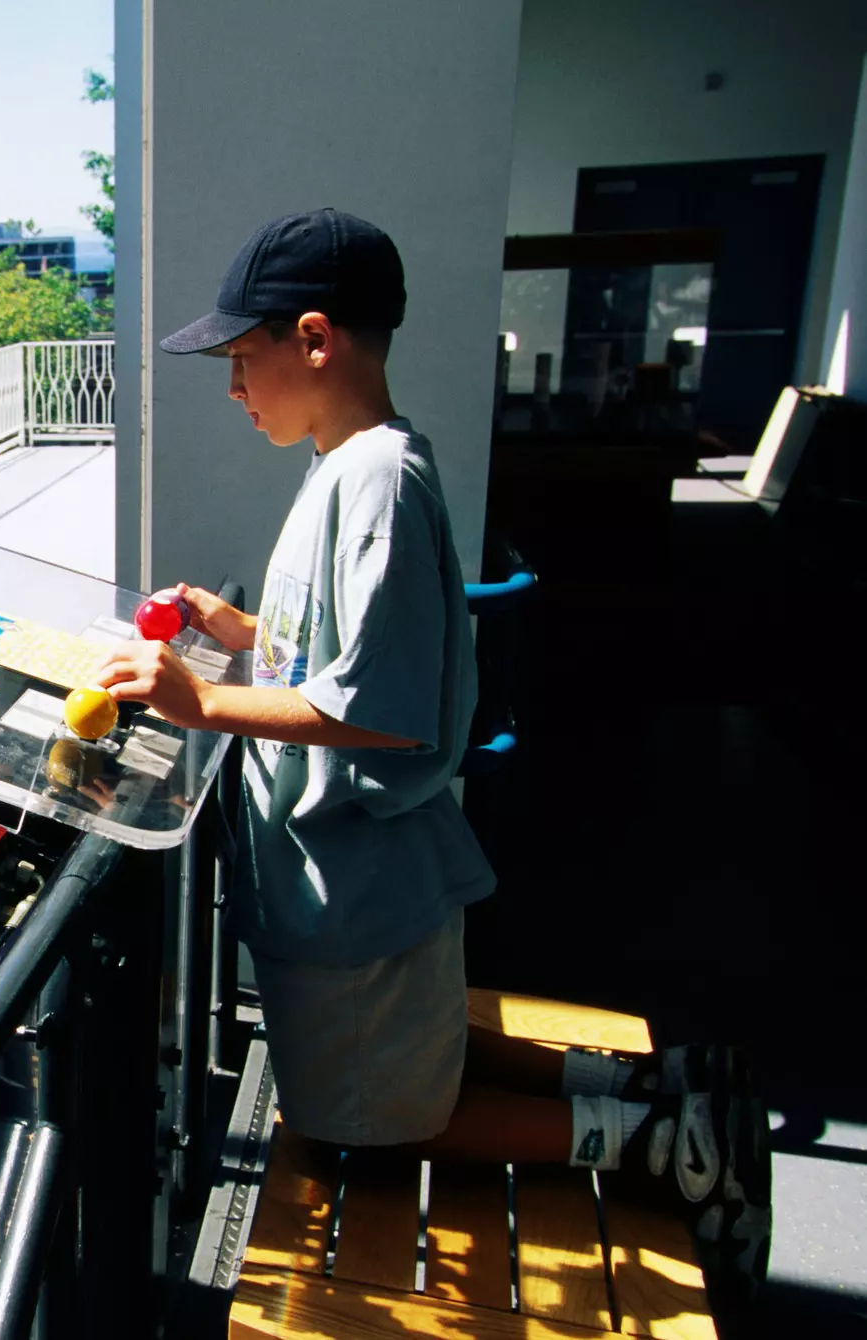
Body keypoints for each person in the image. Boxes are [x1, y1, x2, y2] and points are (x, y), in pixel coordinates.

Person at [97, 208, 767, 1298]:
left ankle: (666, 1143)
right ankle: (658, 1086)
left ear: (314, 339)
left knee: (390, 1118)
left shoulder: (376, 481)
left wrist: (204, 708)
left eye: (240, 359)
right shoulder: (349, 465)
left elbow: (384, 707)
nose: (232, 390)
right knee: (411, 1067)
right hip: (349, 884)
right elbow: (339, 648)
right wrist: (241, 634)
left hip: (355, 884)